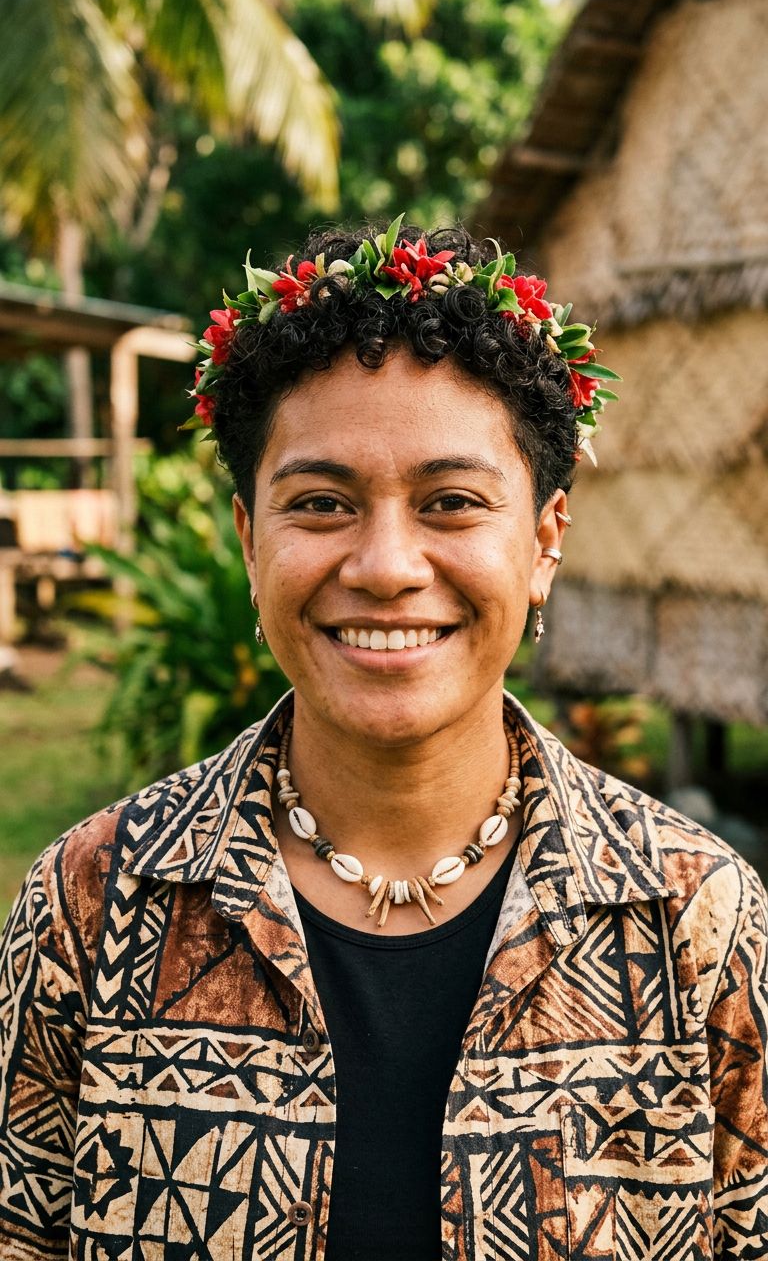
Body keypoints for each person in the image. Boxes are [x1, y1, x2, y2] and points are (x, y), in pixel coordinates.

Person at [0, 218, 766, 1261]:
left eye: (452, 501)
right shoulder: (91, 905)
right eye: (321, 502)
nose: (387, 564)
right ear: (247, 536)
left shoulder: (696, 920)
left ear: (544, 541)